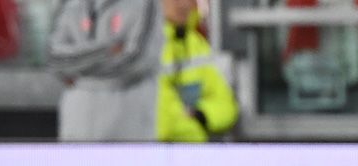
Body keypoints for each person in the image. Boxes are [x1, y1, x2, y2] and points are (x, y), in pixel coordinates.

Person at [48, 0, 163, 141]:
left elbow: (136, 61)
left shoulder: (145, 4)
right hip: (77, 126)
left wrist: (77, 68)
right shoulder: (70, 5)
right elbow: (55, 59)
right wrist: (106, 51)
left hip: (128, 127)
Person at [156, 0, 237, 142]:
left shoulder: (199, 46)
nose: (184, 4)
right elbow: (159, 121)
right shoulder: (142, 50)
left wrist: (201, 114)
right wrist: (196, 131)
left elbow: (227, 106)